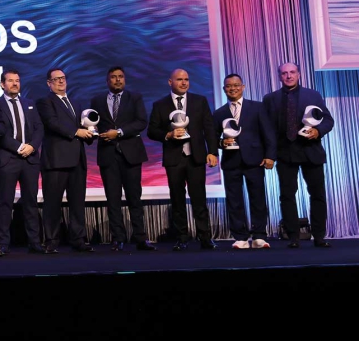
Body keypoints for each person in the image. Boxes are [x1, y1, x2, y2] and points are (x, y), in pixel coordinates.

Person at [262, 62, 335, 248]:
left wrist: (318, 131)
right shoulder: (270, 98)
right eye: (284, 73)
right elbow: (267, 130)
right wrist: (269, 155)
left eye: (292, 72)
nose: (288, 76)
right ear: (279, 76)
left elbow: (328, 120)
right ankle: (293, 237)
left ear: (299, 74)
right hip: (285, 154)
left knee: (317, 195)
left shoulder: (313, 95)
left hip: (311, 152)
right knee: (287, 196)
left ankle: (319, 236)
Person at [147, 68, 218, 251]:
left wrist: (213, 152)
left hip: (196, 157)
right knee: (177, 199)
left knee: (199, 198)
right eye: (179, 79)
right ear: (170, 82)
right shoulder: (160, 104)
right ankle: (182, 238)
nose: (184, 82)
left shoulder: (199, 101)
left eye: (186, 79)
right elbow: (152, 131)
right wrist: (169, 134)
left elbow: (209, 128)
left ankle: (205, 237)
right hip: (174, 158)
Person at [89, 66, 156, 251]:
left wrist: (118, 132)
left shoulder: (135, 98)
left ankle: (140, 238)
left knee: (135, 197)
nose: (117, 80)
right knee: (113, 199)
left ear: (124, 79)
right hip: (108, 155)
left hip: (131, 155)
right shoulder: (97, 100)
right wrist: (93, 132)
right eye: (113, 77)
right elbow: (92, 124)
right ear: (107, 80)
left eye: (120, 77)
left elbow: (141, 122)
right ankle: (118, 238)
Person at [213, 74, 276, 250]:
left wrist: (270, 156)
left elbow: (269, 133)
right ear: (224, 89)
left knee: (258, 198)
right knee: (234, 200)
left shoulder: (257, 107)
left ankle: (259, 236)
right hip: (231, 162)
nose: (232, 88)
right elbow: (212, 138)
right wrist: (220, 143)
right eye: (228, 86)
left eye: (236, 85)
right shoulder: (219, 113)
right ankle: (240, 237)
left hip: (255, 160)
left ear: (243, 86)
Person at [37, 68, 95, 253]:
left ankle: (78, 239)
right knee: (52, 202)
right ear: (49, 83)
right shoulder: (45, 102)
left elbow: (82, 126)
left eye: (63, 78)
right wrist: (76, 132)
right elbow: (52, 123)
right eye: (56, 79)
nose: (61, 81)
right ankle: (52, 240)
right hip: (56, 160)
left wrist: (90, 133)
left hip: (77, 159)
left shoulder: (76, 103)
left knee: (77, 202)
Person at [0, 69, 44, 254]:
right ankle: (3, 243)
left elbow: (39, 128)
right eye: (10, 81)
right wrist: (19, 147)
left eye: (17, 81)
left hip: (30, 159)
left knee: (31, 202)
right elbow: (0, 134)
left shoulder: (29, 103)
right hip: (8, 159)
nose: (15, 84)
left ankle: (34, 242)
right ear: (2, 84)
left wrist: (32, 146)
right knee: (5, 202)